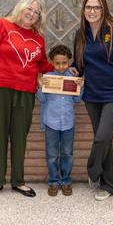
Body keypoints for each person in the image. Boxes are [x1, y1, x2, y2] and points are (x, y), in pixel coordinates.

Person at [0, 0, 53, 201]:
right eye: (29, 8)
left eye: (37, 12)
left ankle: (18, 181)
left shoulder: (38, 38)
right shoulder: (2, 25)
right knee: (0, 137)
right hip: (0, 90)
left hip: (26, 93)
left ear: (39, 17)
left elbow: (43, 64)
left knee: (20, 138)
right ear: (20, 8)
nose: (32, 13)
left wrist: (64, 69)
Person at [73, 0, 113, 201]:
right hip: (91, 96)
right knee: (105, 141)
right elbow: (79, 64)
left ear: (104, 9)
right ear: (83, 10)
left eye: (96, 7)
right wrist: (74, 70)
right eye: (88, 7)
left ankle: (92, 170)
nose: (92, 11)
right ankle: (109, 185)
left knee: (101, 138)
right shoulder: (81, 34)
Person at [36, 45, 84, 197]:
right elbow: (42, 99)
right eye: (57, 63)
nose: (61, 66)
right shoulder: (48, 78)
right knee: (51, 154)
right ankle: (53, 182)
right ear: (52, 62)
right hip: (51, 122)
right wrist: (40, 86)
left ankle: (66, 180)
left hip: (68, 123)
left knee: (67, 153)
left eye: (64, 62)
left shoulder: (72, 78)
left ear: (69, 62)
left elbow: (77, 100)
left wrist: (81, 87)